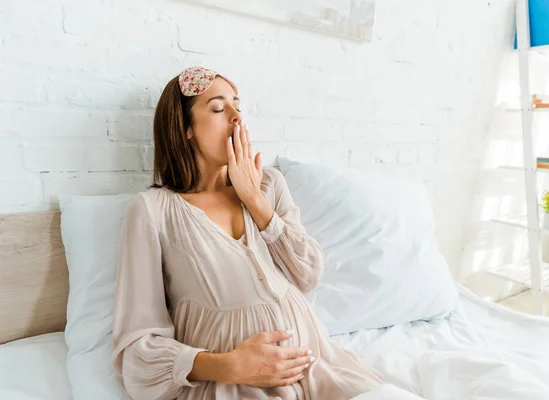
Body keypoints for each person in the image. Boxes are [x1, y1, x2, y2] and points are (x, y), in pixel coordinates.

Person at [111, 66, 384, 399]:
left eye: (237, 105)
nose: (237, 117)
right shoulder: (153, 210)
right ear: (185, 129)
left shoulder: (268, 185)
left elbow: (307, 273)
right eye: (217, 108)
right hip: (234, 386)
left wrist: (254, 199)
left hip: (318, 365)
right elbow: (138, 348)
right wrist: (231, 366)